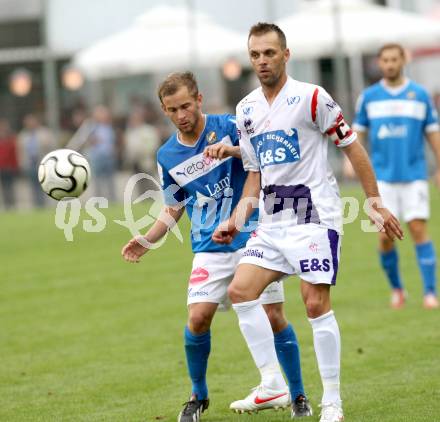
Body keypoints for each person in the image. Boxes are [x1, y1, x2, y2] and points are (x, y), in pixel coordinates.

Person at [212, 23, 403, 422]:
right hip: (273, 219)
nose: (262, 61)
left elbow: (352, 147)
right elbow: (254, 173)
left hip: (315, 216)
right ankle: (272, 384)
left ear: (285, 54)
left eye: (269, 53)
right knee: (241, 292)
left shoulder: (312, 98)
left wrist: (375, 202)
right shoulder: (245, 109)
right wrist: (236, 218)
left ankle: (332, 400)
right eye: (255, 55)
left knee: (314, 303)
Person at [121, 72, 312, 421]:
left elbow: (265, 160)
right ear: (164, 111)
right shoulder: (167, 155)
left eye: (185, 106)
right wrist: (148, 240)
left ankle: (297, 395)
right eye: (172, 110)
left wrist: (234, 150)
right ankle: (198, 396)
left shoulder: (231, 125)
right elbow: (173, 206)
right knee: (197, 318)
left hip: (254, 235)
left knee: (273, 315)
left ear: (199, 99)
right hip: (209, 246)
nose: (181, 115)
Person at [352, 43, 440, 309]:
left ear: (403, 60)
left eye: (394, 59)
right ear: (380, 63)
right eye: (385, 60)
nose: (390, 64)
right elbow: (357, 134)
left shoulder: (420, 95)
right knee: (384, 236)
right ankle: (398, 289)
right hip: (381, 181)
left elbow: (433, 132)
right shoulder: (369, 97)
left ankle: (429, 293)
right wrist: (350, 162)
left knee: (417, 228)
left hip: (413, 174)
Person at [17, 114, 55, 207]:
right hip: (30, 164)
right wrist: (21, 164)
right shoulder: (23, 135)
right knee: (32, 186)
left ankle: (44, 205)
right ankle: (36, 205)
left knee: (44, 186)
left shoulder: (44, 132)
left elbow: (52, 146)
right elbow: (20, 151)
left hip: (42, 163)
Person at [0, 119, 19, 209]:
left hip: (9, 167)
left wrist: (15, 166)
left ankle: (11, 204)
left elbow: (14, 154)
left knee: (10, 186)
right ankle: (7, 204)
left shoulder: (11, 140)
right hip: (1, 167)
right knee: (4, 187)